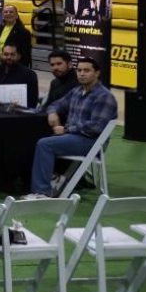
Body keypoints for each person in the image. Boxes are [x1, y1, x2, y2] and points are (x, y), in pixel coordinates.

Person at [26, 57, 118, 199]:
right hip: (74, 138)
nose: (81, 74)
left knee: (45, 144)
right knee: (35, 138)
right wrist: (52, 112)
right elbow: (56, 104)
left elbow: (96, 127)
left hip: (92, 142)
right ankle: (53, 177)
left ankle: (42, 192)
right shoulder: (76, 91)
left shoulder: (104, 97)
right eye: (79, 70)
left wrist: (67, 129)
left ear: (97, 73)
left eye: (86, 70)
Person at [0, 44, 38, 108]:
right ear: (1, 55)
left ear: (19, 56)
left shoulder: (29, 75)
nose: (9, 57)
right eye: (6, 54)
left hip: (19, 111)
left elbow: (33, 102)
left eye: (12, 54)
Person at [0, 4, 32, 68]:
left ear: (16, 16)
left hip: (13, 63)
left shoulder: (24, 32)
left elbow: (26, 54)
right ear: (3, 15)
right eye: (6, 12)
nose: (8, 14)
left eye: (11, 12)